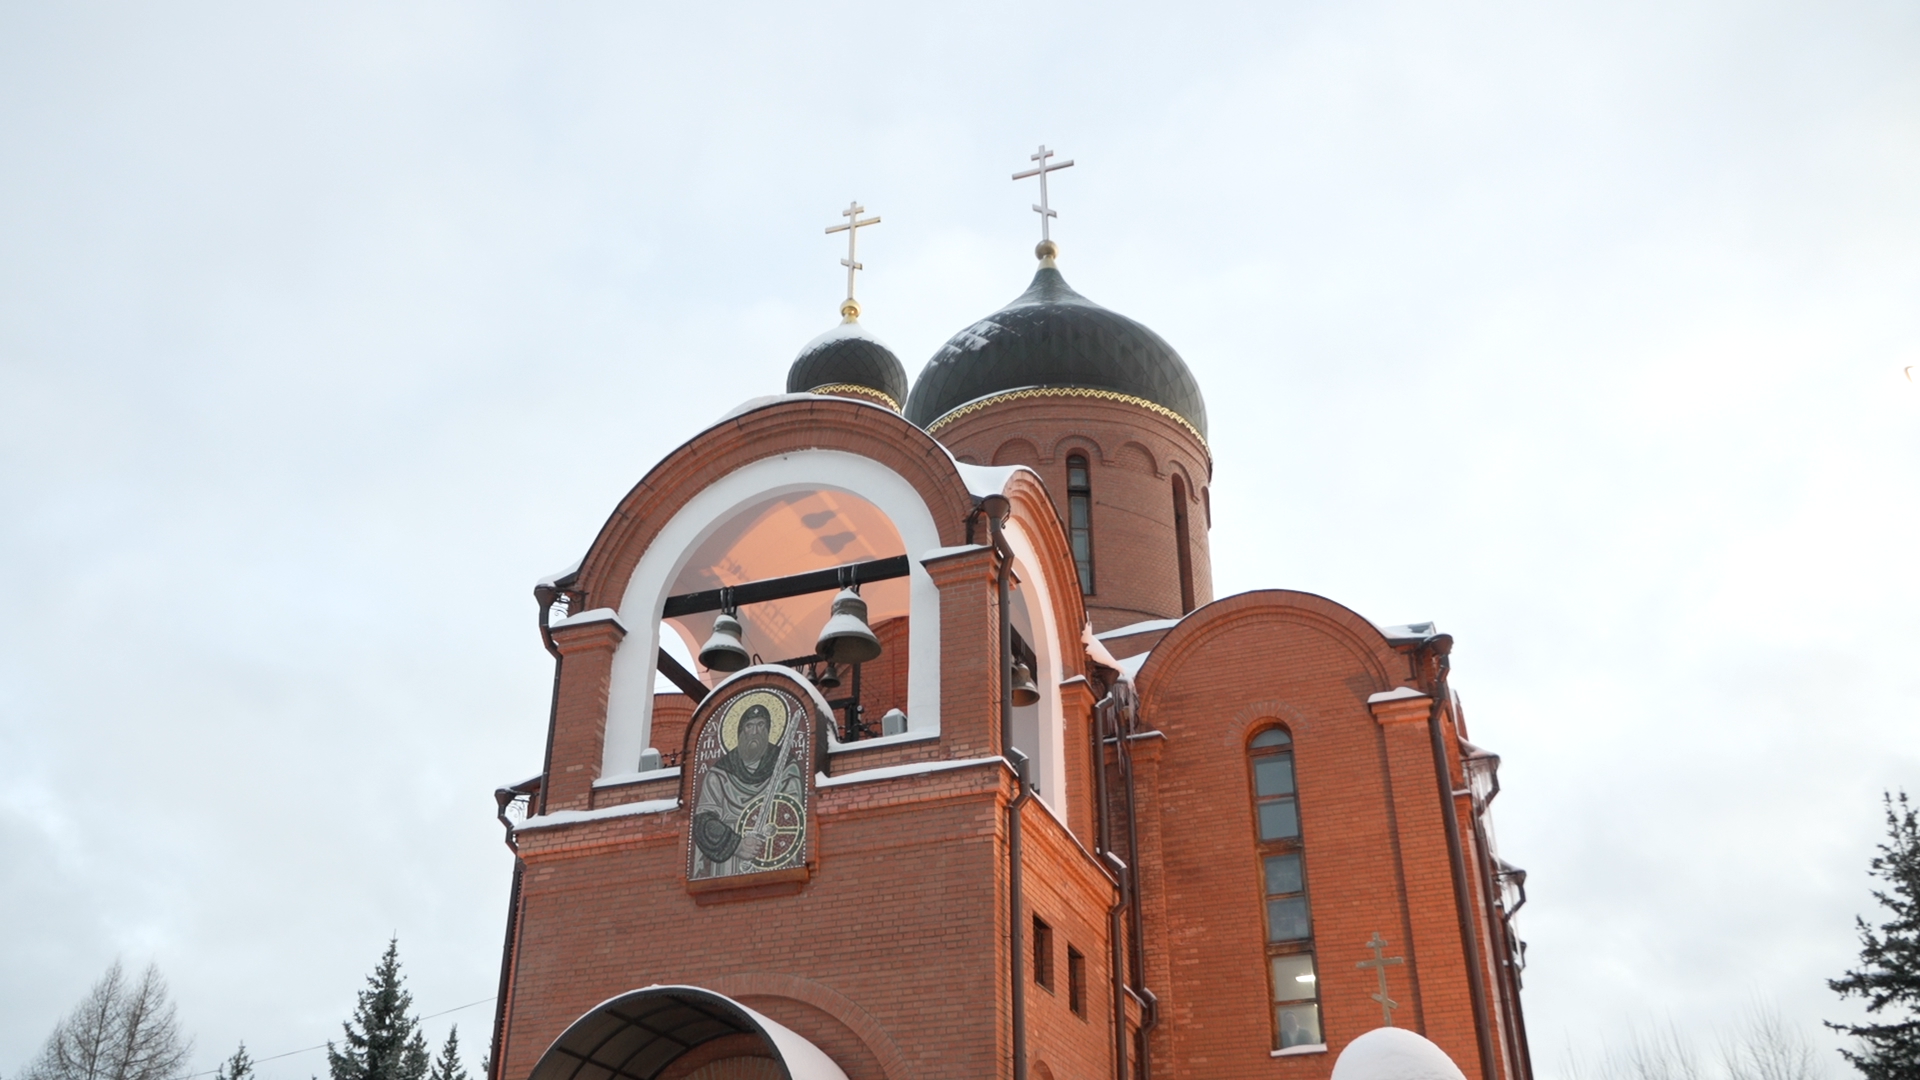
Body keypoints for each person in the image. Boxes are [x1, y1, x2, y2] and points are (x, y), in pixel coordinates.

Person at [691, 701, 805, 878]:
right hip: (728, 864)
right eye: (749, 726)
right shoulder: (719, 774)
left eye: (761, 725)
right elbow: (703, 822)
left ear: (768, 730)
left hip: (769, 854)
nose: (755, 732)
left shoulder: (786, 767)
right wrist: (736, 844)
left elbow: (792, 814)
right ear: (740, 731)